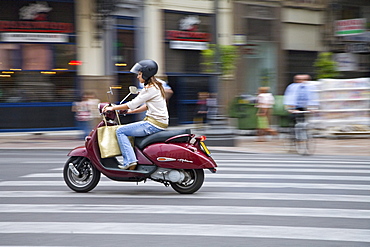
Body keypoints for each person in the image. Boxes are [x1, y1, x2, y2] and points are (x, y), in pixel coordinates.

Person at [103, 59, 169, 170]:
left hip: (153, 124)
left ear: (146, 74)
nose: (138, 77)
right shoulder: (156, 86)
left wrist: (113, 107)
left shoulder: (150, 89)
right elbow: (148, 106)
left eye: (139, 74)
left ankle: (130, 161)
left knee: (120, 131)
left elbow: (132, 103)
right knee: (128, 130)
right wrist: (130, 112)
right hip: (157, 122)